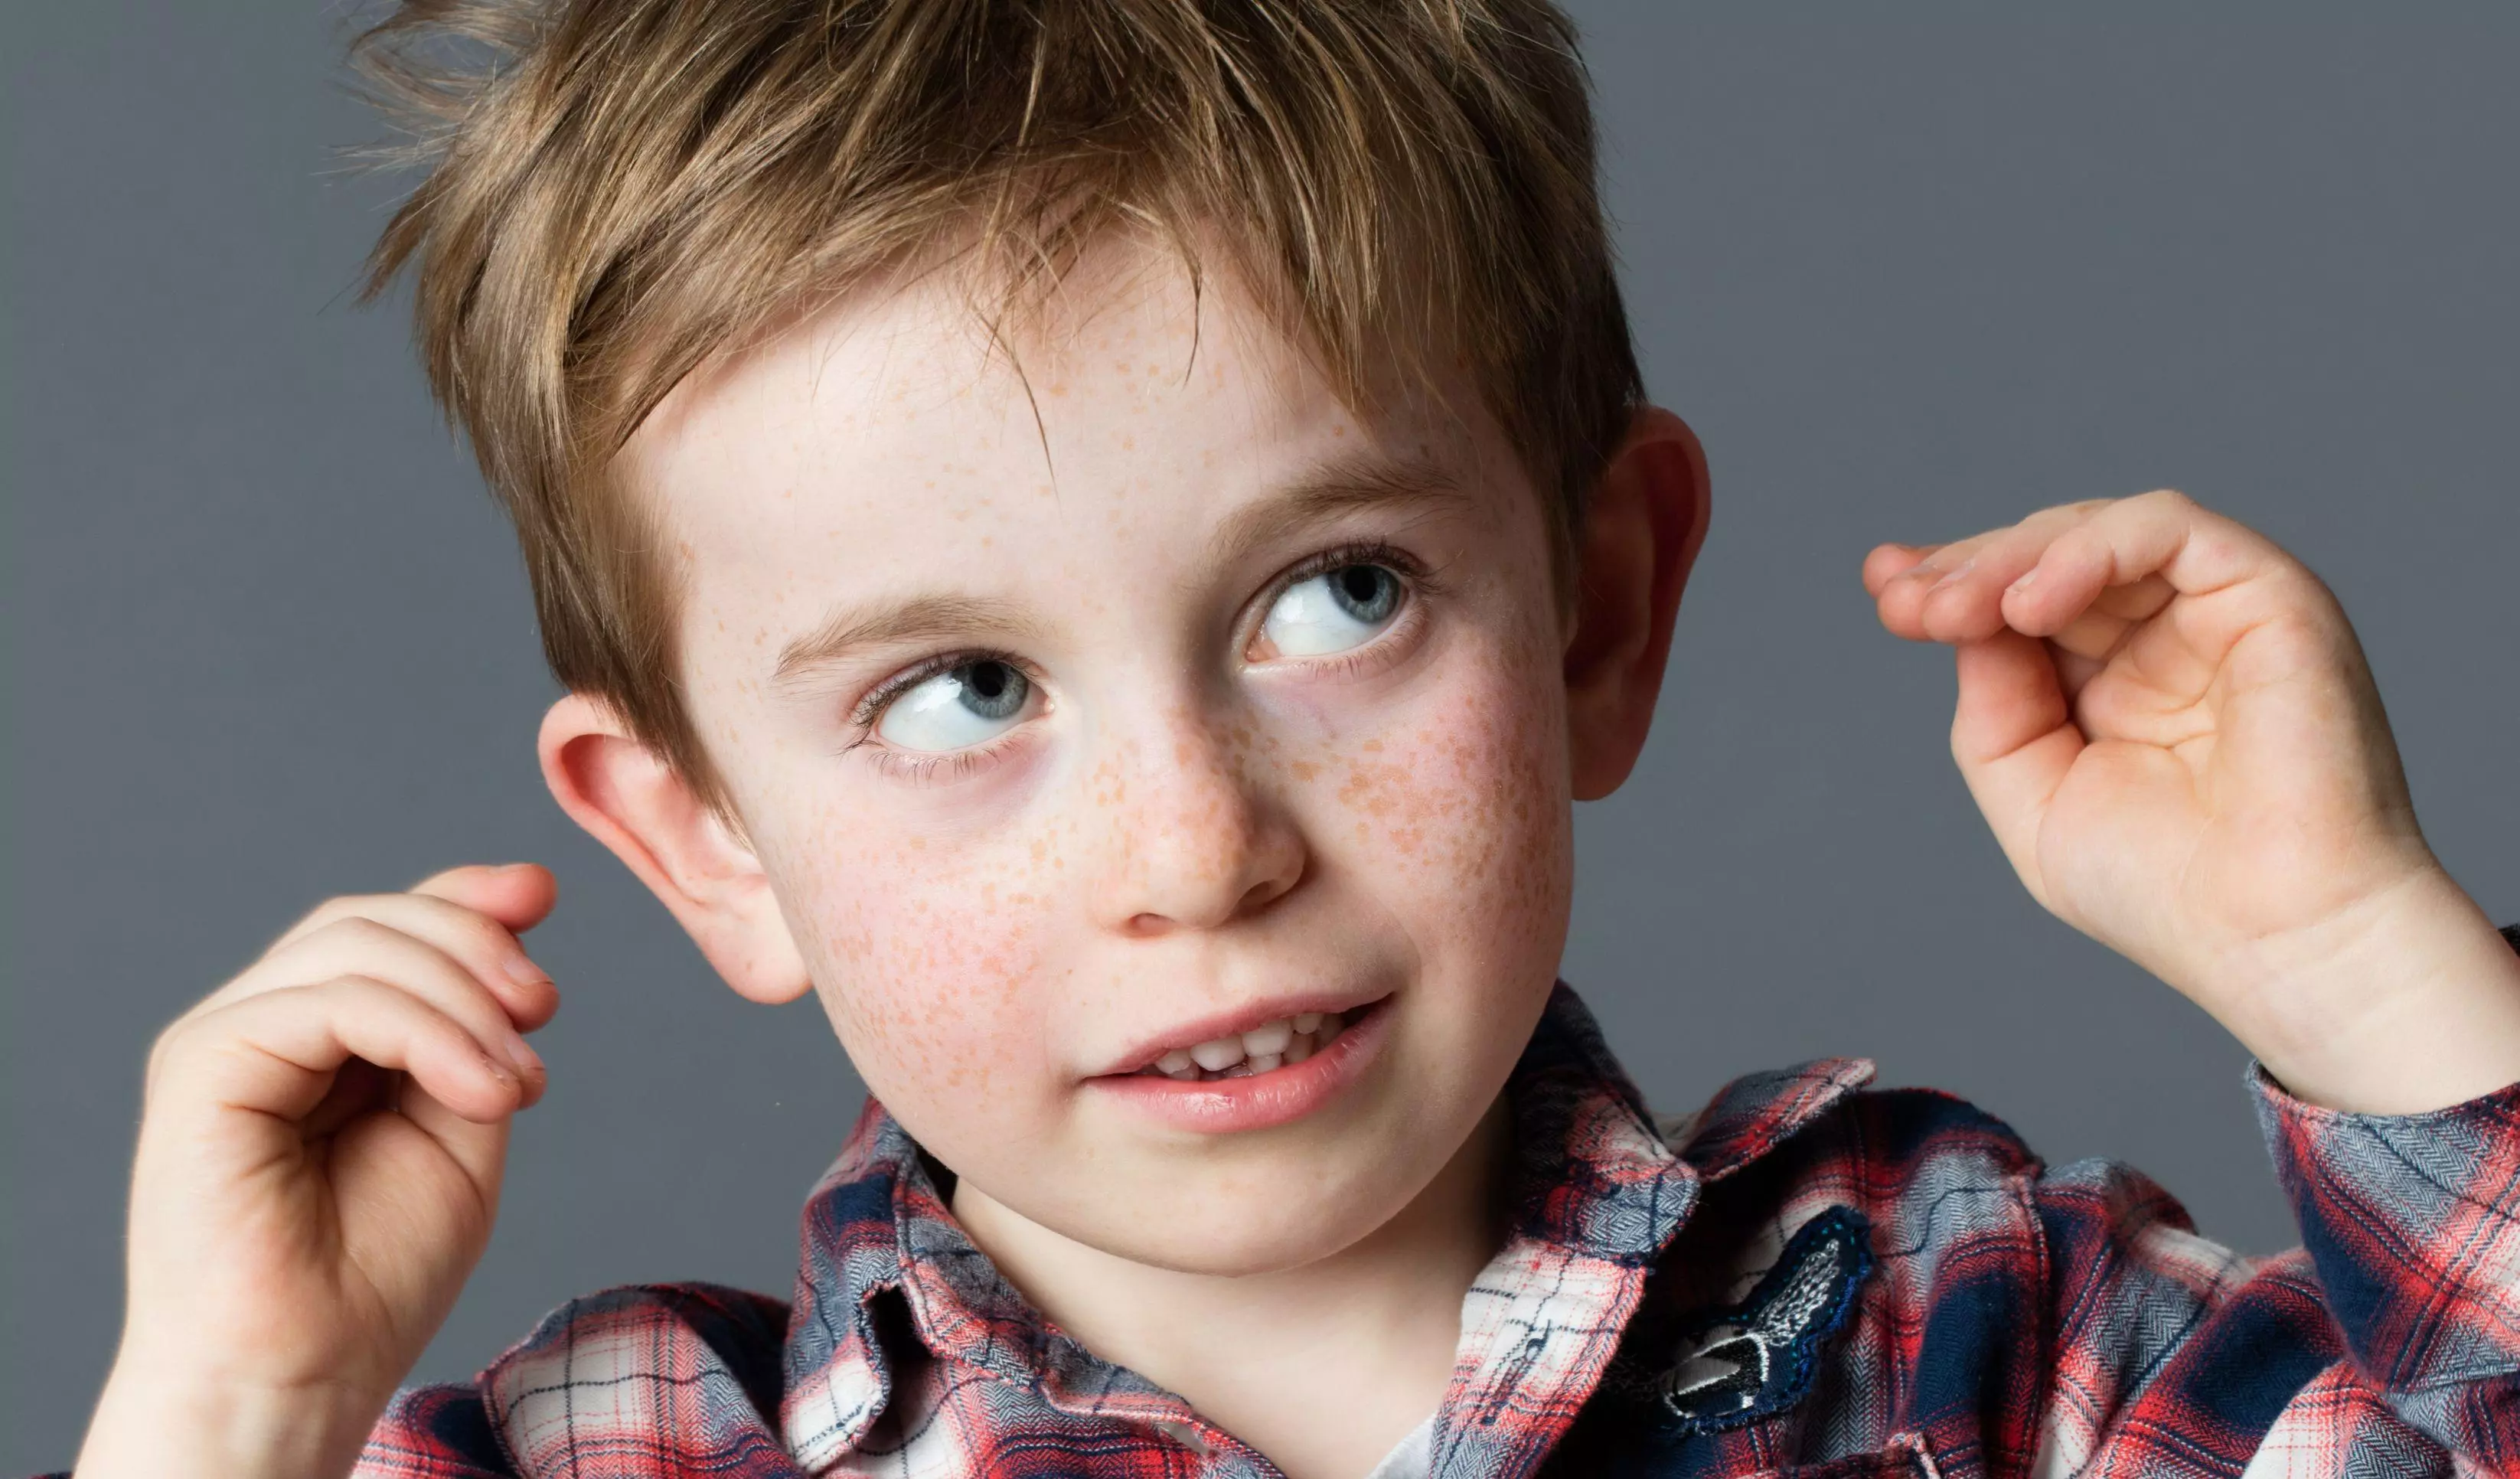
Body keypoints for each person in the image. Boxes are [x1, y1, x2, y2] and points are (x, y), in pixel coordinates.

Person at [59, 2, 2520, 1477]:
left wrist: (2364, 976)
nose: (1192, 844)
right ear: (701, 835)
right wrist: (226, 1417)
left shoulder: (1969, 1335)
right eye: (959, 692)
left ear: (1595, 612)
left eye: (1332, 596)